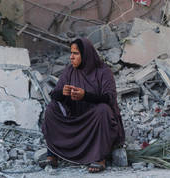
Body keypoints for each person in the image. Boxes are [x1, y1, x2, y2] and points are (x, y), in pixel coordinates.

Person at [41, 38, 125, 173]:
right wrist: (63, 93)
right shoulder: (70, 71)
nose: (71, 57)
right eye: (71, 53)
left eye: (76, 54)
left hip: (94, 121)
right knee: (52, 108)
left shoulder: (103, 71)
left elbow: (109, 98)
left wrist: (85, 95)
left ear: (85, 55)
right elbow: (55, 96)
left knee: (103, 110)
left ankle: (99, 158)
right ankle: (52, 154)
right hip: (74, 119)